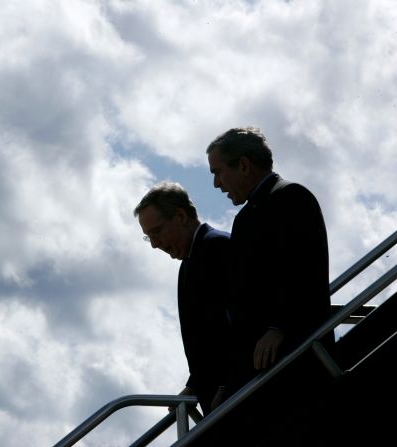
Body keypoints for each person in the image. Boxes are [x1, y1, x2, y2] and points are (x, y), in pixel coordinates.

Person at [205, 126, 333, 398]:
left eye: (218, 172)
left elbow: (306, 272)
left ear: (243, 165)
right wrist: (228, 381)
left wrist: (280, 327)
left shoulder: (290, 197)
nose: (217, 184)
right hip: (262, 369)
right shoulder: (247, 216)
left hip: (295, 363)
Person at [134, 182, 232, 416]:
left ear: (180, 216)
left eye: (156, 232)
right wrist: (195, 384)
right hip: (218, 395)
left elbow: (239, 323)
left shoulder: (216, 247)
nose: (155, 244)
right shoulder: (190, 261)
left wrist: (228, 382)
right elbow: (205, 336)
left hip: (235, 392)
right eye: (149, 238)